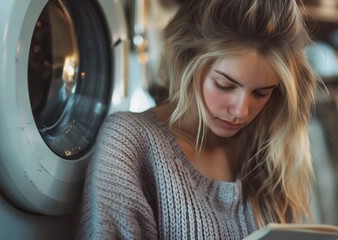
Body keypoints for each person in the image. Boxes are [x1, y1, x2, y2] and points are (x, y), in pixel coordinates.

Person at [78, 0, 318, 239]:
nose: (241, 111)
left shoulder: (268, 152)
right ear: (189, 60)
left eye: (260, 93)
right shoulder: (129, 142)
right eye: (225, 85)